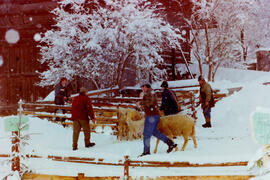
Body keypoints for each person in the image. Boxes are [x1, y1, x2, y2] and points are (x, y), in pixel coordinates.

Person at [138, 83, 177, 157]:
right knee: (155, 132)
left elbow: (150, 103)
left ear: (146, 87)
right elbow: (150, 104)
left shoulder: (149, 93)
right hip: (154, 115)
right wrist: (143, 106)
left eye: (142, 87)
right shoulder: (150, 93)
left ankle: (146, 152)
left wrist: (141, 103)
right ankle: (170, 143)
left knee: (146, 134)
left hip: (151, 116)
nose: (142, 89)